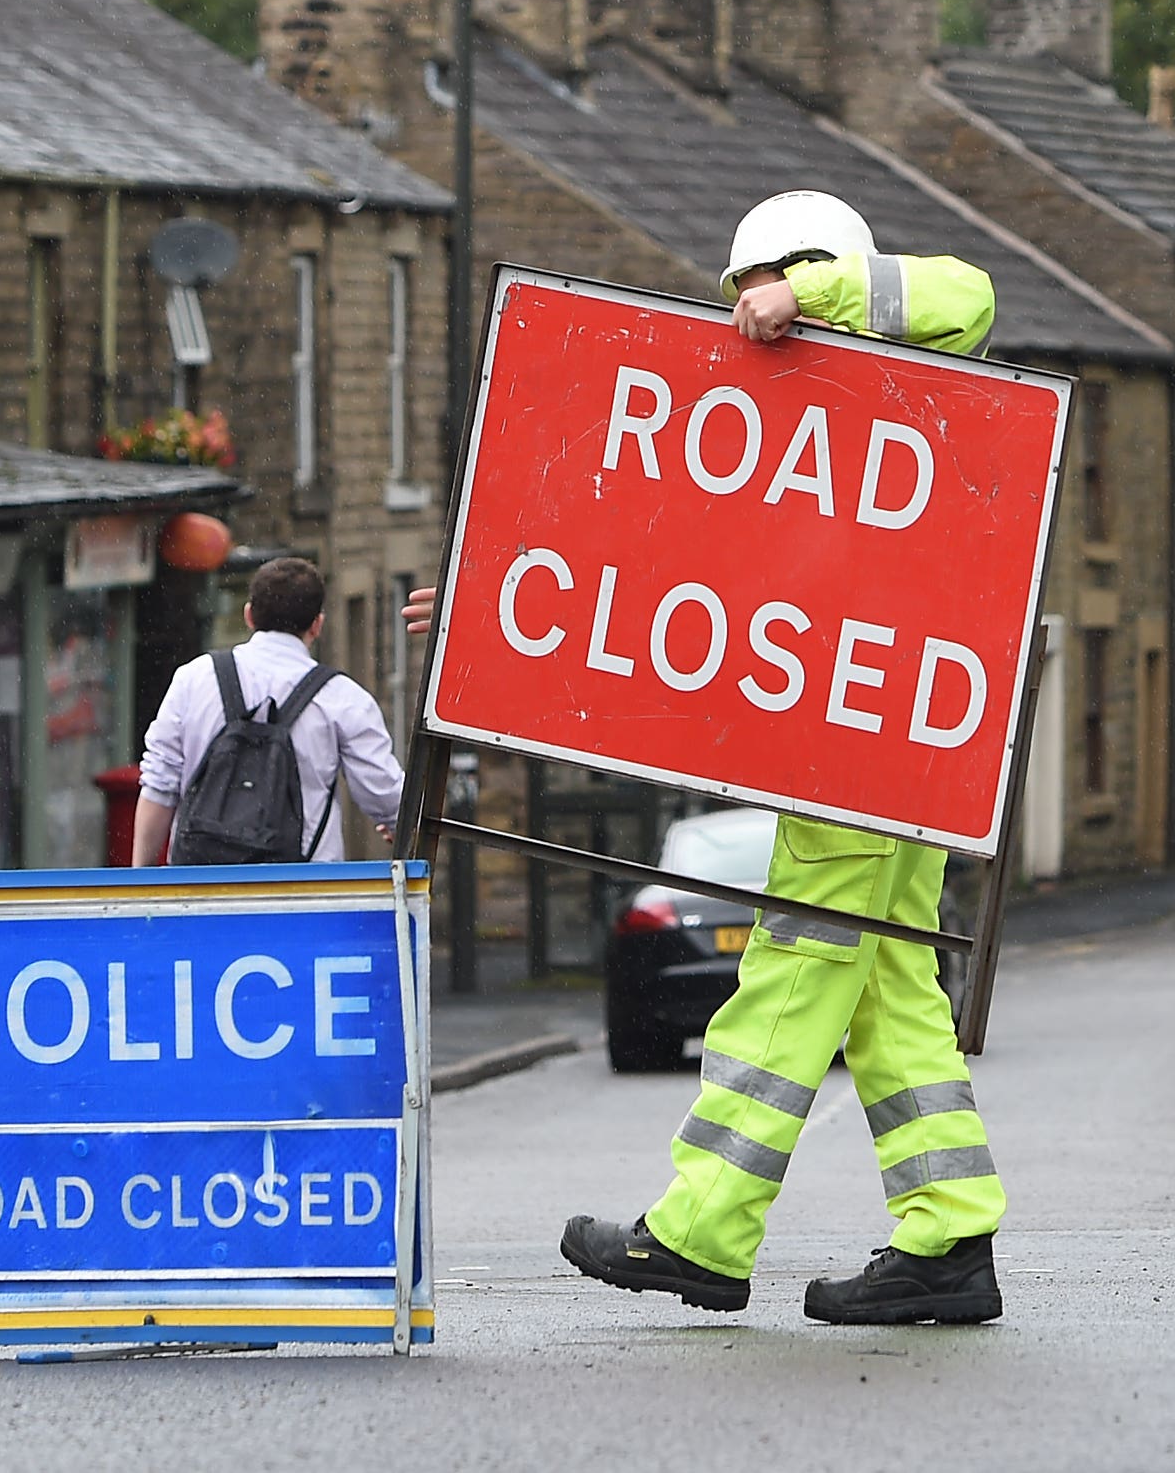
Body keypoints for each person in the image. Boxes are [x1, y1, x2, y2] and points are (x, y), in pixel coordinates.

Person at [408, 192, 1010, 1327]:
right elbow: (650, 561)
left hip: (870, 735)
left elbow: (967, 290)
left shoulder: (915, 346)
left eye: (757, 288)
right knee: (888, 990)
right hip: (878, 738)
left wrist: (815, 295)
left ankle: (701, 1231)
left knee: (793, 964)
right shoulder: (771, 427)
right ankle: (950, 1233)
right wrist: (486, 608)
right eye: (741, 295)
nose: (745, 314)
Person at [134, 556, 403, 865]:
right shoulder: (343, 698)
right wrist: (397, 822)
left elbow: (159, 785)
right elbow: (385, 793)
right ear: (317, 625)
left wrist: (141, 881)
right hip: (303, 891)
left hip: (201, 889)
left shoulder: (193, 679)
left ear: (249, 615)